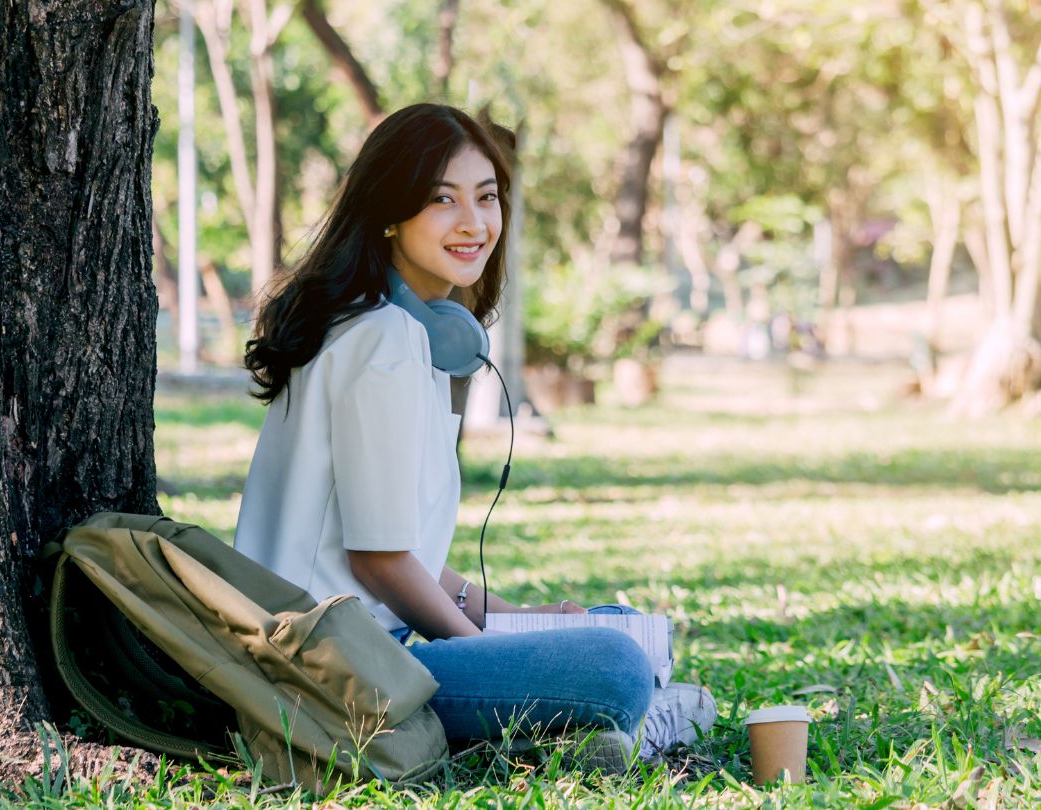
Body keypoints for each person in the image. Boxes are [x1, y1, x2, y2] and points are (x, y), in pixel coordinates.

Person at [235, 103, 714, 770]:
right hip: (339, 672)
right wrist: (480, 648)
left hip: (363, 647)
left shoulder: (394, 331)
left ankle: (579, 740)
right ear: (390, 213)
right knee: (615, 665)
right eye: (442, 200)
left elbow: (403, 555)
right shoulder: (386, 342)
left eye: (486, 198)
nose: (474, 222)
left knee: (596, 621)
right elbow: (379, 563)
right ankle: (626, 727)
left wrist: (519, 617)